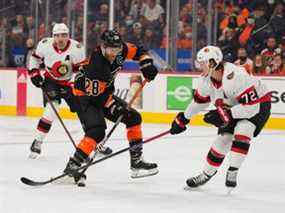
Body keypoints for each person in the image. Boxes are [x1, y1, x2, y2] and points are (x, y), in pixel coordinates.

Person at [63, 30, 159, 186]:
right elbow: (97, 98)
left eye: (117, 48)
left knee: (133, 118)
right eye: (111, 49)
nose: (114, 52)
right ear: (103, 47)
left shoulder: (120, 51)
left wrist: (146, 63)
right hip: (84, 96)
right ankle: (72, 166)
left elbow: (140, 50)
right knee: (97, 131)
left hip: (102, 93)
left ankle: (136, 162)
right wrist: (115, 107)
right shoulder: (97, 65)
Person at [169, 45, 271, 191]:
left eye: (202, 63)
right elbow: (199, 102)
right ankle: (206, 174)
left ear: (212, 63)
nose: (199, 66)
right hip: (233, 104)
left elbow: (250, 108)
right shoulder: (206, 80)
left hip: (259, 104)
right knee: (223, 139)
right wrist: (183, 119)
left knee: (244, 128)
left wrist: (224, 115)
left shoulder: (236, 76)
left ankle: (233, 170)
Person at [28, 23, 112, 158]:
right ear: (53, 36)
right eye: (57, 36)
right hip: (51, 81)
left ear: (68, 36)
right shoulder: (44, 44)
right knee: (51, 110)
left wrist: (75, 82)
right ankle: (37, 141)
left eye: (64, 35)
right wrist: (34, 74)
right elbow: (35, 58)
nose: (60, 39)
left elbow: (81, 70)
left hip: (70, 83)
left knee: (85, 112)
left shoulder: (77, 48)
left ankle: (97, 142)